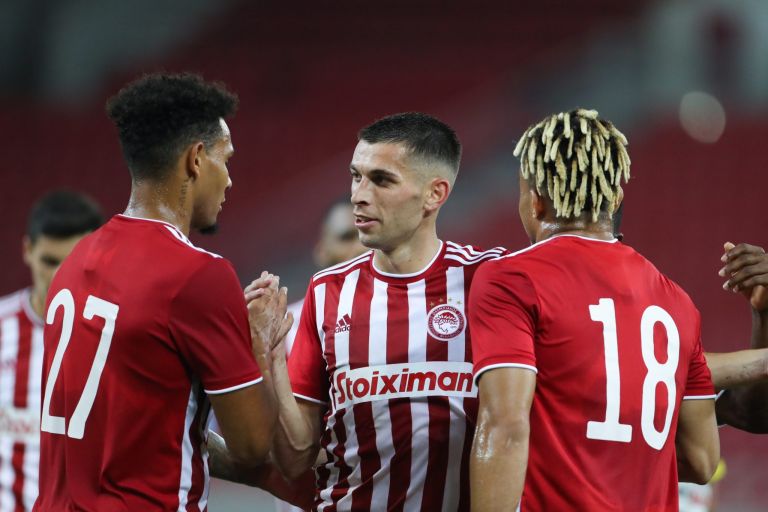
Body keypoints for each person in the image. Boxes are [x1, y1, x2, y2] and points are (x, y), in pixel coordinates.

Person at [34, 73, 288, 511]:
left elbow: (141, 425)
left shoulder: (76, 262)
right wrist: (260, 345)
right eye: (225, 159)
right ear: (196, 159)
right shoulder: (197, 275)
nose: (229, 180)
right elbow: (252, 445)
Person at [469, 109, 719, 510]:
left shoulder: (512, 278)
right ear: (614, 198)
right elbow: (703, 460)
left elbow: (506, 426)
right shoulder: (678, 301)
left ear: (535, 202)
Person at [267, 112, 506, 510]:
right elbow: (295, 458)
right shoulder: (327, 292)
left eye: (381, 180)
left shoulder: (490, 280)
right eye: (355, 176)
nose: (358, 195)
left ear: (435, 194)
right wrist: (272, 358)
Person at [0, 190, 102, 512]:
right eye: (49, 261)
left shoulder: (114, 337)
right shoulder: (2, 328)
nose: (60, 276)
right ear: (27, 251)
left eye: (72, 262)